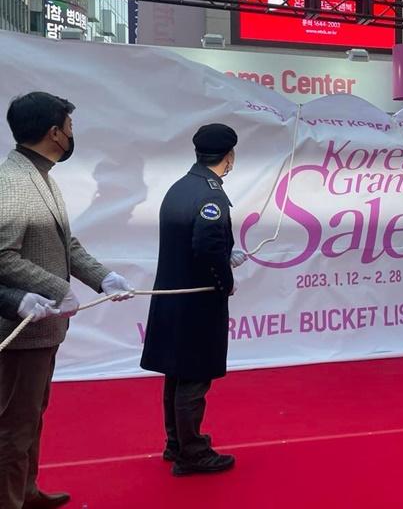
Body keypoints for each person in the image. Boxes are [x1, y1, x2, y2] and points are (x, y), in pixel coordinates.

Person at [0, 92, 134, 509]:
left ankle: (26, 492)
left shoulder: (41, 175)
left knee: (31, 416)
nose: (73, 135)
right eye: (70, 127)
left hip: (42, 329)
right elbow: (3, 256)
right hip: (20, 329)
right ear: (54, 133)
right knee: (13, 426)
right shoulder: (16, 182)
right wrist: (58, 288)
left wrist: (102, 277)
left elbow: (65, 244)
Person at [141, 123, 248, 477]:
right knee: (194, 377)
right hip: (196, 303)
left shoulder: (180, 187)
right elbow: (206, 246)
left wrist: (224, 253)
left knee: (176, 373)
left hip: (173, 299)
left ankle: (176, 443)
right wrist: (224, 280)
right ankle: (192, 452)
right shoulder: (211, 196)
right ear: (229, 158)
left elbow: (196, 242)